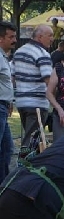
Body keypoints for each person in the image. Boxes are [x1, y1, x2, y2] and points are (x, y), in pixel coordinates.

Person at [11, 24, 54, 148]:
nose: (52, 39)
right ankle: (25, 166)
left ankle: (29, 164)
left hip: (21, 103)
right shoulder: (42, 54)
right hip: (37, 104)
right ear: (40, 37)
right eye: (50, 35)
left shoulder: (19, 52)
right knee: (32, 141)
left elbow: (12, 78)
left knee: (31, 137)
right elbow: (49, 81)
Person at [0, 21, 17, 182]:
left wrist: (9, 101)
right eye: (11, 37)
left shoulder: (4, 57)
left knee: (6, 149)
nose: (14, 40)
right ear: (0, 38)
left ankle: (3, 185)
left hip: (3, 107)